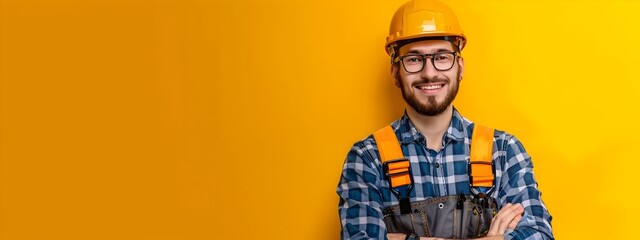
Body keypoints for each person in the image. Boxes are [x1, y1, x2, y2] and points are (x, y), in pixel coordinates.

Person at [336, 0, 553, 239]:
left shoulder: (502, 151)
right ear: (395, 73)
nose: (429, 73)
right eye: (414, 59)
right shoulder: (368, 158)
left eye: (441, 57)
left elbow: (538, 234)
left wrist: (395, 237)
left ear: (459, 67)